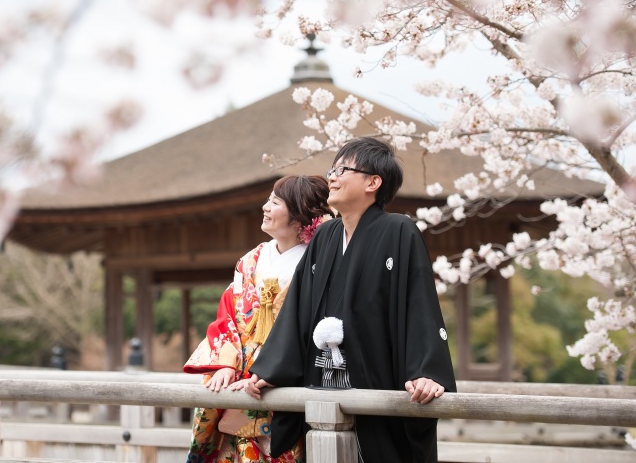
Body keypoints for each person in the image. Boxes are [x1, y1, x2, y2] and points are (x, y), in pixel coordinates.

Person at [246, 137, 457, 463]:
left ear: (373, 182)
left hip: (376, 380)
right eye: (333, 168)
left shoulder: (399, 231)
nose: (332, 176)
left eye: (343, 169)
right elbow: (298, 307)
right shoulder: (325, 237)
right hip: (324, 381)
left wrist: (426, 370)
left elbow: (420, 305)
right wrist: (273, 368)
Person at [183, 175, 332, 463]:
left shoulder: (316, 265)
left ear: (300, 216)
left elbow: (310, 330)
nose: (265, 207)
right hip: (239, 370)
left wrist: (270, 371)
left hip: (282, 375)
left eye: (275, 202)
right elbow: (228, 313)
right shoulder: (251, 260)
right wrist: (225, 363)